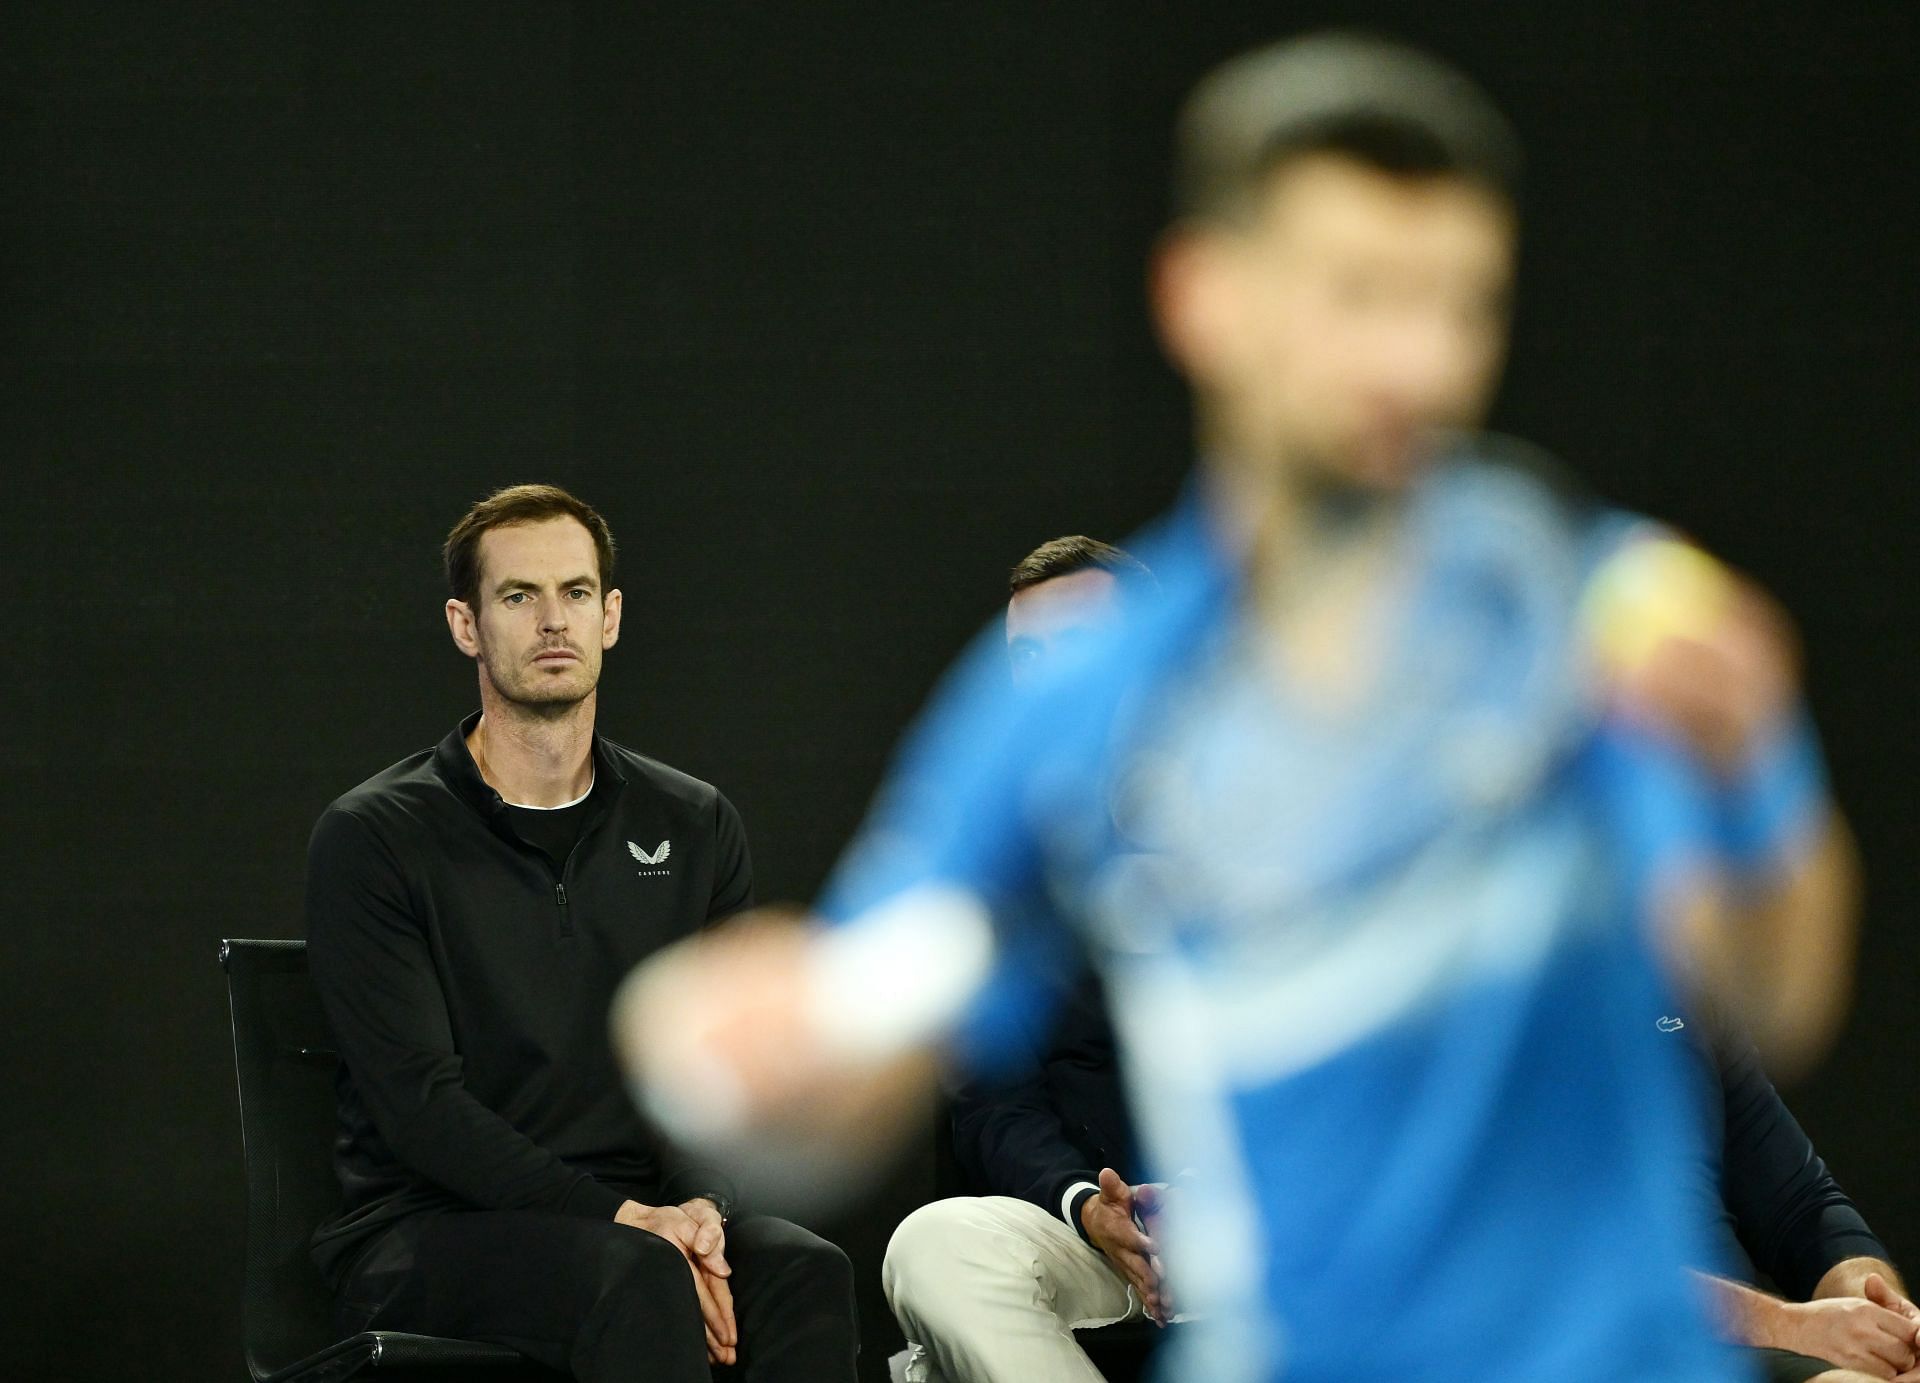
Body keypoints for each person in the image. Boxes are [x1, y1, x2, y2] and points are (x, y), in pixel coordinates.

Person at [613, 33, 1863, 1382]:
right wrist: (758, 1054)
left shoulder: (1595, 605)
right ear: (1202, 295)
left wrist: (1748, 776)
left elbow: (1775, 988)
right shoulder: (1077, 699)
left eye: (1462, 303)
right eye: (1360, 294)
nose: (1420, 362)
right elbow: (865, 1057)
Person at [305, 484, 858, 1382]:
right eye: (518, 596)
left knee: (803, 1269)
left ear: (610, 616)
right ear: (465, 625)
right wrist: (625, 1220)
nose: (551, 620)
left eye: (574, 593)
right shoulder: (376, 834)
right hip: (426, 1228)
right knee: (634, 1276)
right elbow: (419, 1109)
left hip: (643, 1220)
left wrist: (703, 1210)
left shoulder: (694, 821)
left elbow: (724, 1073)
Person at [885, 536, 1168, 1382]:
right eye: (1026, 657)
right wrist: (1090, 1207)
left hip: (1278, 1222)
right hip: (1095, 1232)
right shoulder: (999, 871)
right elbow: (992, 1105)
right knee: (934, 1246)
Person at [1669, 1001, 1920, 1383]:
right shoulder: (1553, 998)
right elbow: (1577, 1265)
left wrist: (1892, 1331)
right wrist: (1790, 1329)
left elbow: (1800, 1205)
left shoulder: (1686, 999)